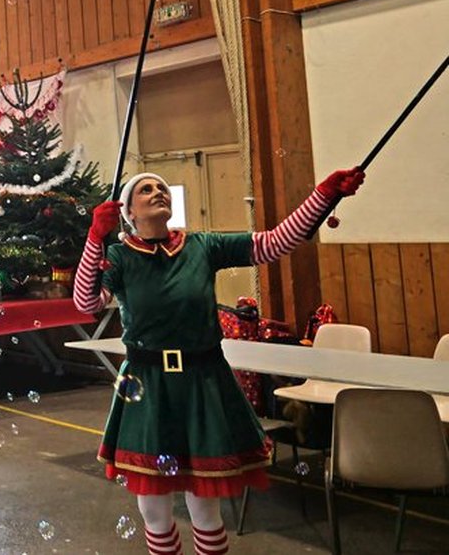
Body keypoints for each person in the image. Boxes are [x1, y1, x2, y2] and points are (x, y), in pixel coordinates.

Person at [72, 168, 366, 555]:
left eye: (161, 187)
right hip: (148, 383)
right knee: (154, 505)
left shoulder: (202, 246)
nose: (157, 191)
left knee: (205, 502)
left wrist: (325, 195)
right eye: (145, 189)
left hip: (202, 379)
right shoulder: (119, 256)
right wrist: (95, 239)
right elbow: (86, 303)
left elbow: (275, 243)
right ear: (127, 211)